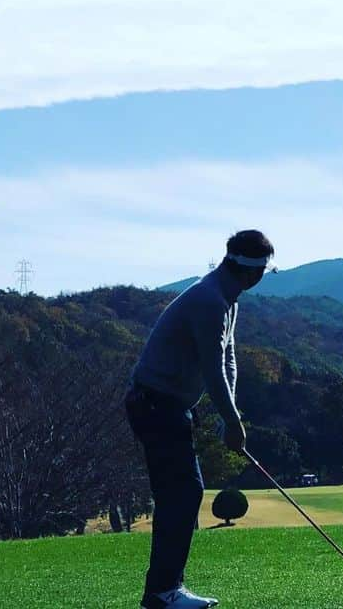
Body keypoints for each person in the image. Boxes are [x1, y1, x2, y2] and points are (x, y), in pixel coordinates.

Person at [125, 230, 276, 609]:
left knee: (182, 492)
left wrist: (232, 418)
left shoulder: (227, 298)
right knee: (183, 492)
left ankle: (164, 589)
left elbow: (228, 359)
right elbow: (212, 369)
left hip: (168, 406)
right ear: (253, 272)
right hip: (156, 404)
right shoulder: (210, 301)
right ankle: (162, 592)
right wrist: (233, 421)